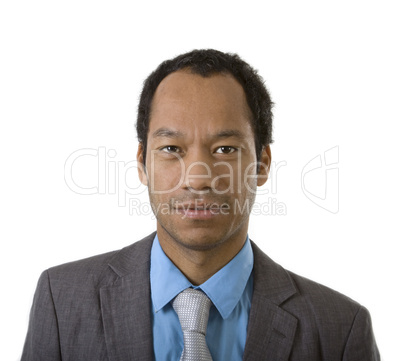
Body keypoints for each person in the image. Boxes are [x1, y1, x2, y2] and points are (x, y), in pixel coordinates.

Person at [21, 49, 380, 361]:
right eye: (172, 150)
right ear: (143, 163)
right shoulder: (61, 301)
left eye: (225, 149)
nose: (197, 178)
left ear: (262, 164)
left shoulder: (340, 330)